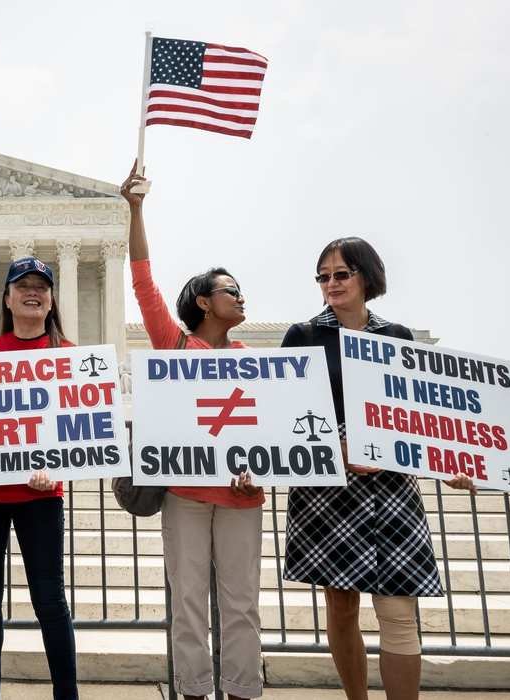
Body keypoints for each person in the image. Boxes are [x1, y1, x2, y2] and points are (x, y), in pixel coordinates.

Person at [280, 237, 476, 700]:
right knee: (342, 605)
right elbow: (284, 413)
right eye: (323, 276)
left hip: (390, 489)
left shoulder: (397, 338)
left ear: (366, 276)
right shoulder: (304, 336)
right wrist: (339, 447)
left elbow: (419, 415)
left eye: (341, 274)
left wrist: (447, 463)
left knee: (398, 613)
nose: (331, 283)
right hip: (329, 490)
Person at [121, 163, 264, 700]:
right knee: (187, 600)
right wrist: (135, 209)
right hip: (185, 491)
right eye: (231, 290)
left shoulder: (256, 362)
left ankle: (244, 690)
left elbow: (268, 436)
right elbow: (142, 283)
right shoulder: (178, 346)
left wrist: (262, 472)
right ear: (205, 302)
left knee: (242, 602)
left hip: (242, 495)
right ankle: (195, 690)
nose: (241, 297)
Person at [0, 256, 78, 700]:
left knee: (50, 600)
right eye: (22, 284)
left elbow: (79, 429)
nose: (33, 291)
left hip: (40, 494)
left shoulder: (67, 356)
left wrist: (58, 467)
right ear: (7, 298)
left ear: (50, 301)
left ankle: (67, 693)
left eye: (41, 287)